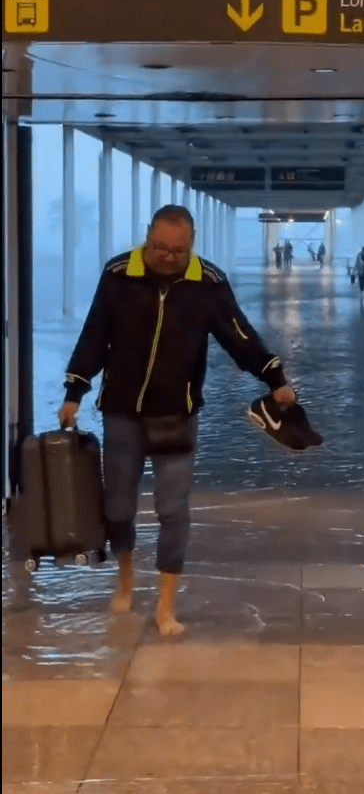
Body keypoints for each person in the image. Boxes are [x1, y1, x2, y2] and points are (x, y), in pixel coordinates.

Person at [58, 205, 296, 637]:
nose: (167, 257)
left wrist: (274, 376)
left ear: (192, 245)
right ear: (148, 237)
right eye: (160, 248)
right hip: (122, 413)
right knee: (119, 506)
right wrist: (75, 390)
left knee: (172, 509)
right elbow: (94, 333)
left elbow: (238, 335)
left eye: (178, 251)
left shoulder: (207, 283)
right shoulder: (118, 274)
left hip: (177, 414)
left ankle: (166, 605)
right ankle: (125, 578)